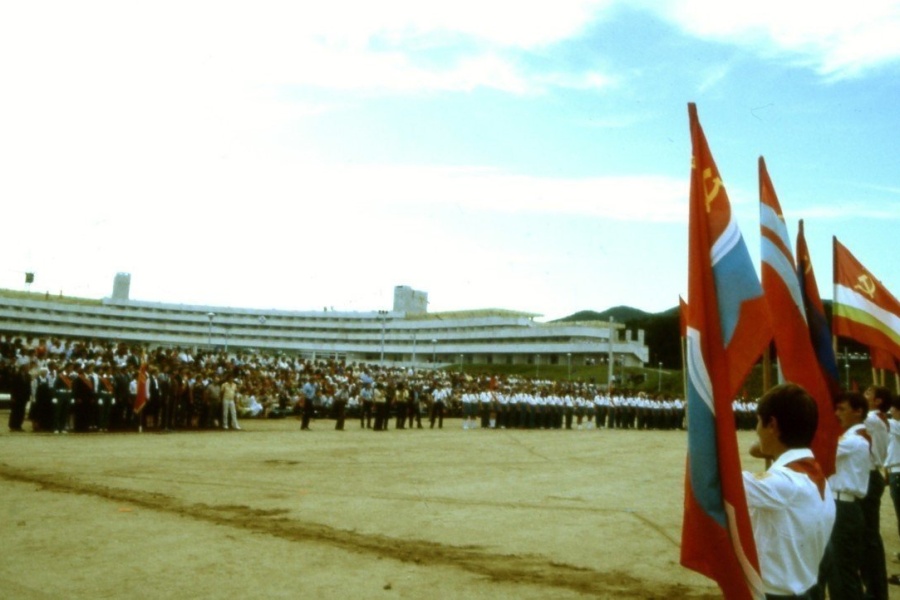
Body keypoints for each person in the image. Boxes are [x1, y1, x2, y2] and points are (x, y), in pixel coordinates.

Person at [743, 383, 835, 599]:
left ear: (772, 424)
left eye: (758, 421)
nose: (756, 429)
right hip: (802, 589)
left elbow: (717, 481)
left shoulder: (785, 482)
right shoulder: (812, 472)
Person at [820, 391, 871, 599]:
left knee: (841, 573)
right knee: (838, 571)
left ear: (858, 412)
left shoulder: (853, 440)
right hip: (840, 504)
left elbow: (820, 449)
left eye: (842, 409)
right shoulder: (853, 438)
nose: (836, 414)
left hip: (843, 506)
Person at [861, 385, 889, 599]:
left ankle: (876, 592)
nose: (863, 395)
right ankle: (875, 590)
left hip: (868, 477)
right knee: (869, 537)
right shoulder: (877, 419)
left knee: (868, 539)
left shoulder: (871, 419)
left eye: (868, 394)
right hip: (870, 476)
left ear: (878, 401)